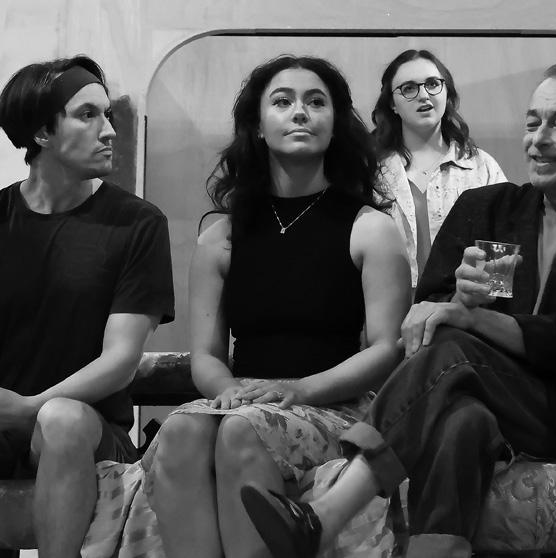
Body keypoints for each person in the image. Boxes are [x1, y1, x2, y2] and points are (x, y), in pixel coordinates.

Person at [240, 62, 556, 558]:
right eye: (533, 123)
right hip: (477, 395)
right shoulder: (487, 209)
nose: (539, 140)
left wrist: (472, 317)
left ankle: (327, 514)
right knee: (460, 421)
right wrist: (459, 302)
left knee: (454, 347)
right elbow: (429, 314)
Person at [139, 54, 409, 558]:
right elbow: (206, 356)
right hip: (244, 399)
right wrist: (228, 392)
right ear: (259, 127)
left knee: (241, 431)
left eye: (316, 102)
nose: (300, 112)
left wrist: (298, 389)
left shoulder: (370, 228)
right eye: (283, 102)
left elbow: (385, 349)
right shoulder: (219, 237)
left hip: (334, 404)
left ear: (336, 123)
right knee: (180, 430)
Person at [0, 56, 174, 558]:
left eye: (107, 115)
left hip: (86, 429)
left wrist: (26, 408)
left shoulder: (138, 224)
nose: (109, 130)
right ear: (42, 133)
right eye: (88, 115)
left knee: (60, 420)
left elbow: (121, 361)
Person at [373, 49, 506, 290]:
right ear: (392, 104)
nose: (424, 95)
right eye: (409, 88)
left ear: (447, 92)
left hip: (465, 308)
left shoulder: (482, 167)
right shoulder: (373, 173)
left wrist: (487, 306)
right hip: (388, 305)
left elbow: (501, 258)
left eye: (433, 84)